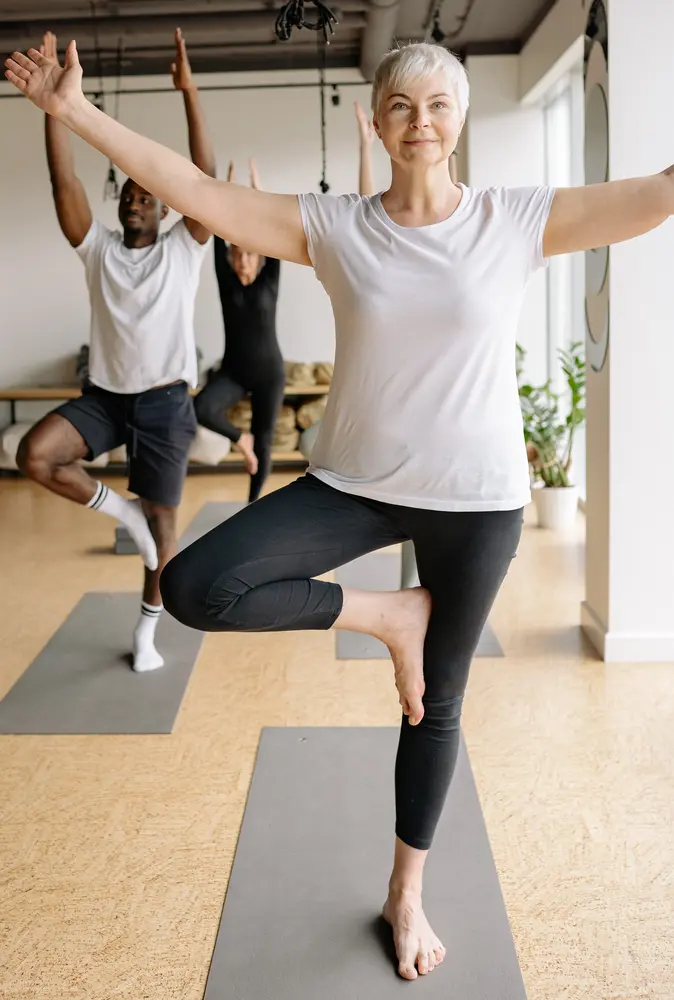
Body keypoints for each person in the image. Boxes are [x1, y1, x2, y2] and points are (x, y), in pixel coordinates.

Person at [7, 37, 673, 980]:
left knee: (435, 708)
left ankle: (407, 893)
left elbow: (653, 195)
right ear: (380, 117)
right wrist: (74, 114)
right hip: (352, 486)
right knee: (196, 584)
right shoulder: (336, 225)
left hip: (475, 501)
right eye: (401, 105)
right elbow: (195, 190)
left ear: (461, 119)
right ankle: (387, 615)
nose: (421, 121)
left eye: (439, 104)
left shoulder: (514, 218)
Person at [12, 29, 214, 672]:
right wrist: (54, 111)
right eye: (127, 194)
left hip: (163, 405)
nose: (135, 198)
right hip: (104, 400)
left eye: (146, 195)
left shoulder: (184, 250)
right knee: (35, 456)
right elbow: (61, 180)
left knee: (163, 534)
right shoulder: (97, 249)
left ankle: (148, 631)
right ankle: (116, 508)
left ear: (161, 208)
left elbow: (204, 183)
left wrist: (191, 94)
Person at [194, 159, 285, 502]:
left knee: (264, 445)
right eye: (236, 254)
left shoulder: (271, 279)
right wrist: (228, 193)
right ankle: (239, 439)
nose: (242, 261)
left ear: (260, 257)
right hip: (233, 371)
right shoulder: (225, 280)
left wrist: (257, 194)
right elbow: (217, 229)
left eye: (249, 254)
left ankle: (252, 505)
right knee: (200, 408)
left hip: (268, 374)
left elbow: (272, 231)